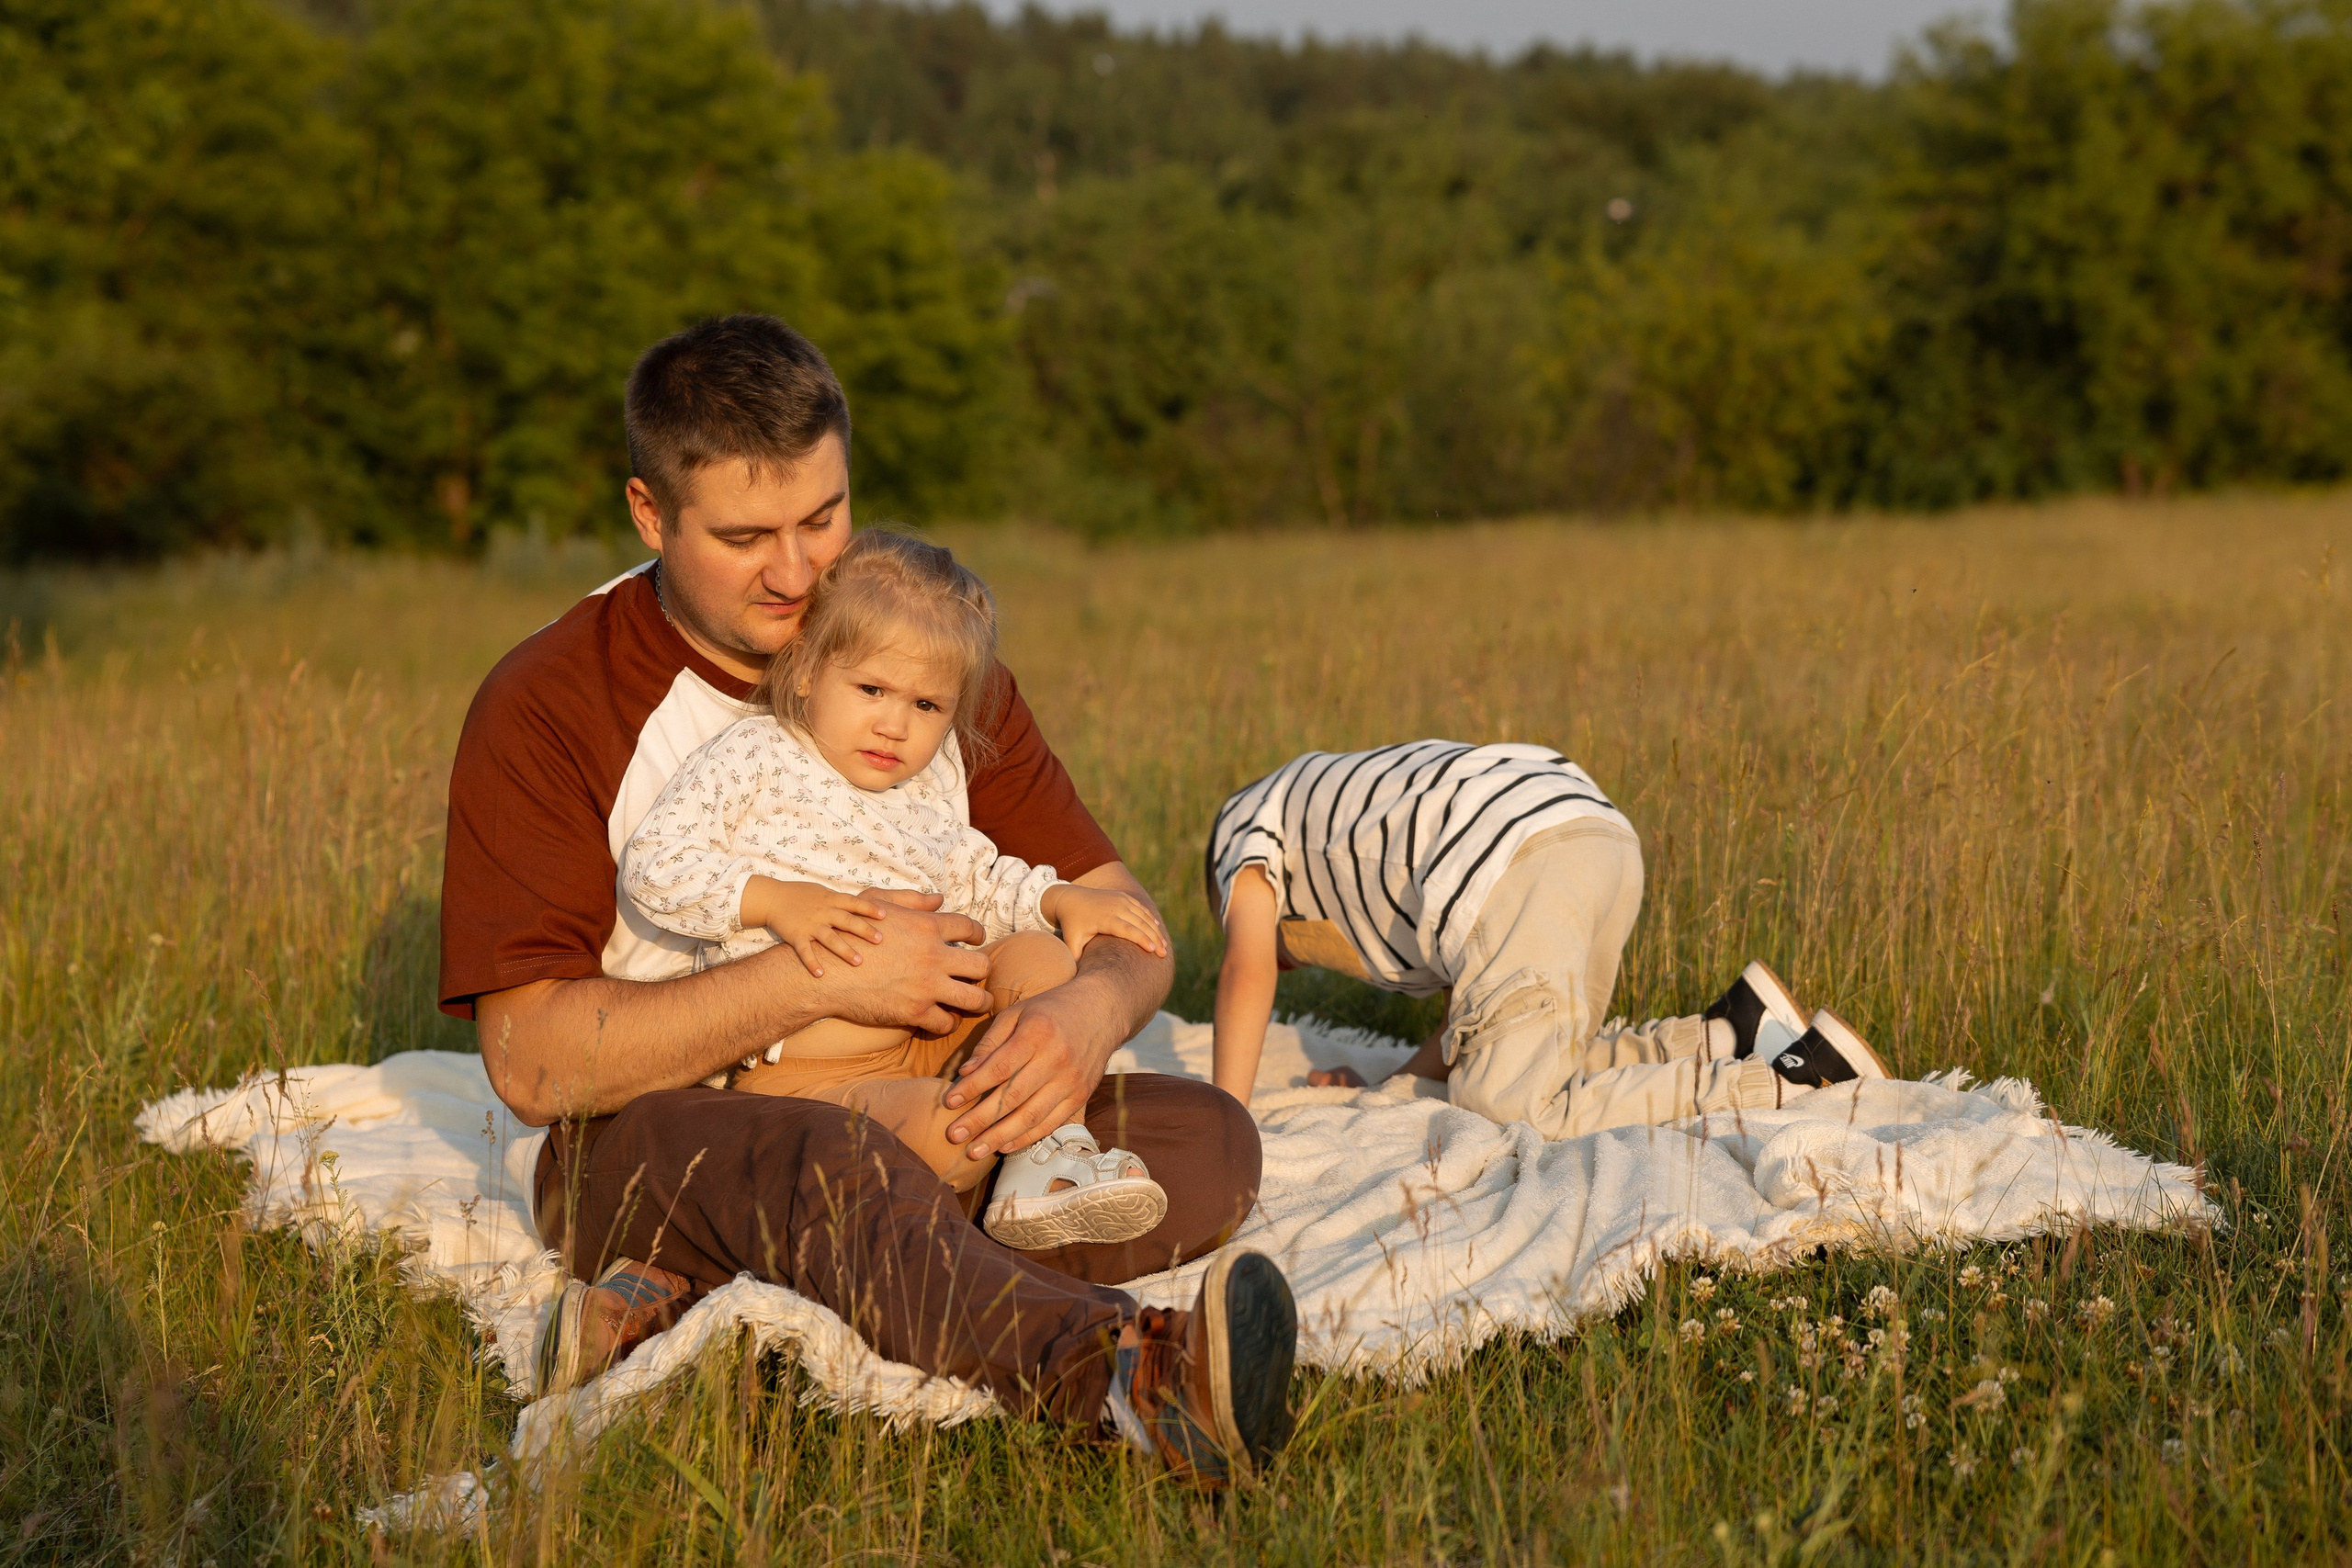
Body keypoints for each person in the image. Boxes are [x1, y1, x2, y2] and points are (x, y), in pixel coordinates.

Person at [440, 313, 1295, 1485]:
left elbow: (1118, 917)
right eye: (745, 536)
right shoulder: (549, 702)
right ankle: (1124, 1378)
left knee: (1203, 1141)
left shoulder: (906, 659)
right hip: (658, 1129)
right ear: (650, 515)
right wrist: (825, 972)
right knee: (832, 1166)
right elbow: (534, 1066)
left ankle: (738, 1292)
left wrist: (1080, 1020)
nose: (798, 573)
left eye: (821, 517)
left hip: (918, 1090)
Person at [619, 528, 1173, 1249]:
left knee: (1040, 959)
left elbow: (976, 873)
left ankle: (1045, 1158)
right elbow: (656, 864)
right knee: (956, 1135)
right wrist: (777, 900)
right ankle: (992, 1172)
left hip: (932, 1041)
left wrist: (1057, 899)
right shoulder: (756, 757)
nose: (894, 725)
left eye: (927, 706)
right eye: (873, 689)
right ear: (810, 668)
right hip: (810, 1079)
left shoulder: (923, 785)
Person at [1205, 740, 1889, 1134]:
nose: (1288, 962)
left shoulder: (1245, 829)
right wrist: (1389, 1090)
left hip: (1514, 865)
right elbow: (1469, 1022)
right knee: (1540, 1059)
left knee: (1513, 1105)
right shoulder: (1352, 829)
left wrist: (1226, 1124)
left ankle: (1791, 1084)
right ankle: (1726, 1032)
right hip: (1592, 835)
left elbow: (1246, 972)